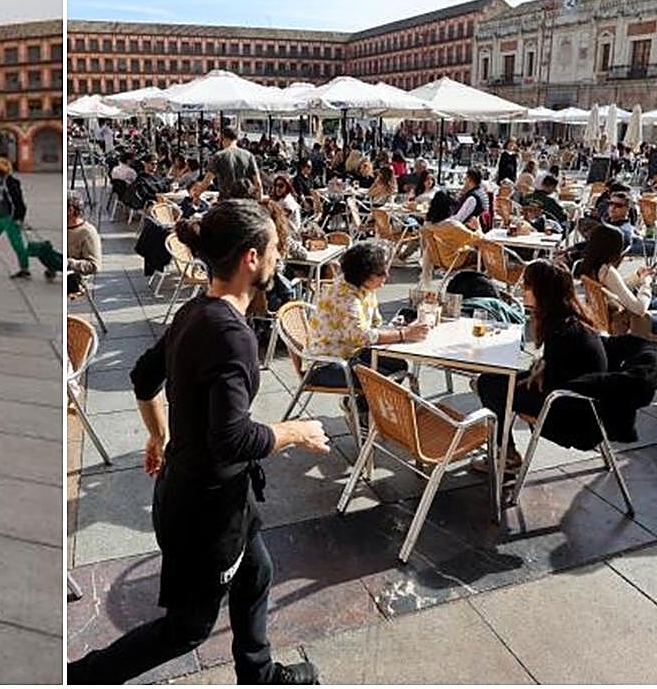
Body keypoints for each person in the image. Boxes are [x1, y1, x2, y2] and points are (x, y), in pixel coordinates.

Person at [68, 200, 329, 685]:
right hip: (206, 512)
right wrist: (297, 431)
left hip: (209, 495)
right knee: (186, 630)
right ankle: (82, 677)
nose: (279, 255)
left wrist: (159, 435)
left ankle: (260, 673)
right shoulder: (230, 333)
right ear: (252, 257)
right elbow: (232, 438)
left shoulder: (196, 310)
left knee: (256, 572)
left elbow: (144, 378)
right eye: (274, 248)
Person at [474, 260, 607, 476]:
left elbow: (559, 379)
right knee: (492, 382)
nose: (522, 291)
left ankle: (507, 456)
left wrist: (540, 371)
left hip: (572, 415)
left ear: (543, 292)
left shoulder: (561, 329)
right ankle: (506, 451)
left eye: (527, 286)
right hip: (583, 405)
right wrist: (541, 366)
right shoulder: (568, 320)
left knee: (490, 387)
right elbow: (564, 364)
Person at [306, 242, 428, 418]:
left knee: (398, 365)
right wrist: (404, 334)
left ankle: (360, 406)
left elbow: (375, 323)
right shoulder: (344, 296)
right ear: (363, 275)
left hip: (350, 352)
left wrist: (398, 326)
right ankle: (364, 414)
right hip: (327, 364)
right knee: (385, 377)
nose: (387, 276)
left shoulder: (363, 286)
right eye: (380, 273)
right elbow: (363, 336)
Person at [577, 224, 657, 336]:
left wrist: (637, 276)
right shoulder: (608, 272)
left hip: (617, 314)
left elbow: (618, 287)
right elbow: (639, 309)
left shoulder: (591, 268)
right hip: (628, 321)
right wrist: (646, 284)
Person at [197, 125, 263, 200]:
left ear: (223, 137)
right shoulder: (249, 156)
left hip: (226, 202)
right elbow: (258, 182)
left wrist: (196, 195)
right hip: (245, 202)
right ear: (237, 138)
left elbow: (207, 181)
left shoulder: (219, 156)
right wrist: (260, 199)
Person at [67, 192, 102, 295]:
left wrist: (70, 263)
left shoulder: (87, 232)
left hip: (74, 278)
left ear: (70, 210)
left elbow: (94, 266)